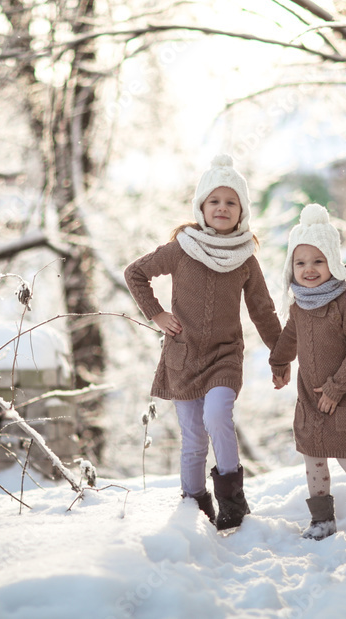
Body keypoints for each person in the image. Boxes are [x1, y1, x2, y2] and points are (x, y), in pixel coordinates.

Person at [124, 154, 282, 531]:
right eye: (214, 201)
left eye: (231, 202)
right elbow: (135, 273)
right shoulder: (182, 248)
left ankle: (232, 499)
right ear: (201, 206)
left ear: (242, 210)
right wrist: (156, 314)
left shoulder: (246, 258)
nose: (222, 208)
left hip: (225, 356)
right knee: (193, 436)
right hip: (184, 355)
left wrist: (280, 357)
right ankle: (194, 505)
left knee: (216, 416)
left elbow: (262, 310)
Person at [269, 203, 346, 545]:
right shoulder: (299, 304)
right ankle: (322, 521)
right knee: (314, 460)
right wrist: (279, 362)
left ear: (333, 262)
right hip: (309, 397)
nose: (309, 269)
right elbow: (291, 335)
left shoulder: (345, 301)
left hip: (343, 397)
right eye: (300, 262)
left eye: (318, 261)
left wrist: (337, 388)